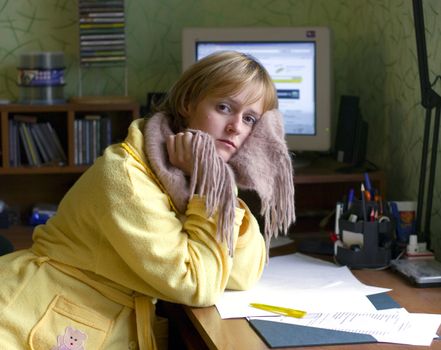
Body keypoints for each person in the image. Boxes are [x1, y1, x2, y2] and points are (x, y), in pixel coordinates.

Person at [0, 51, 295, 349]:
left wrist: (215, 181)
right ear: (187, 103)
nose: (236, 127)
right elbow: (197, 284)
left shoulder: (198, 176)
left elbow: (243, 274)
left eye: (250, 119)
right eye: (223, 107)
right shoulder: (125, 176)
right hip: (31, 321)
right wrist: (210, 189)